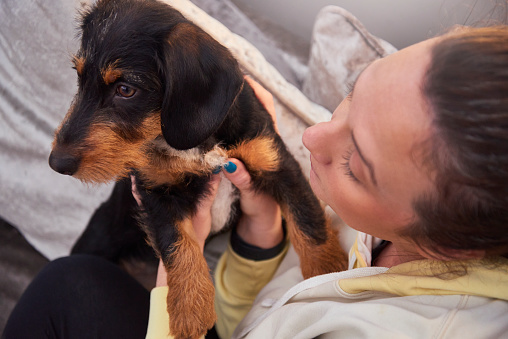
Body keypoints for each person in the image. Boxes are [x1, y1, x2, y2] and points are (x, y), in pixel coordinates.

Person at [3, 26, 508, 339]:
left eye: (355, 165)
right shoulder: (397, 223)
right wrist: (259, 239)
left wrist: (171, 286)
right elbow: (255, 314)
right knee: (71, 278)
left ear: (449, 245)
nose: (311, 136)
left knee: (63, 286)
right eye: (352, 95)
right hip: (232, 306)